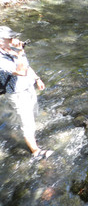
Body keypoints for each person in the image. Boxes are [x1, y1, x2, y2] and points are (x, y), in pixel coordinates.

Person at [0, 26, 52, 158]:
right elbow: (22, 71)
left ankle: (28, 134)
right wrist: (20, 52)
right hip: (17, 94)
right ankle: (36, 152)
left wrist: (37, 78)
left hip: (28, 87)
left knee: (33, 112)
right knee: (27, 122)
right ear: (1, 41)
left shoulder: (10, 49)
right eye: (9, 38)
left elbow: (27, 66)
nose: (13, 39)